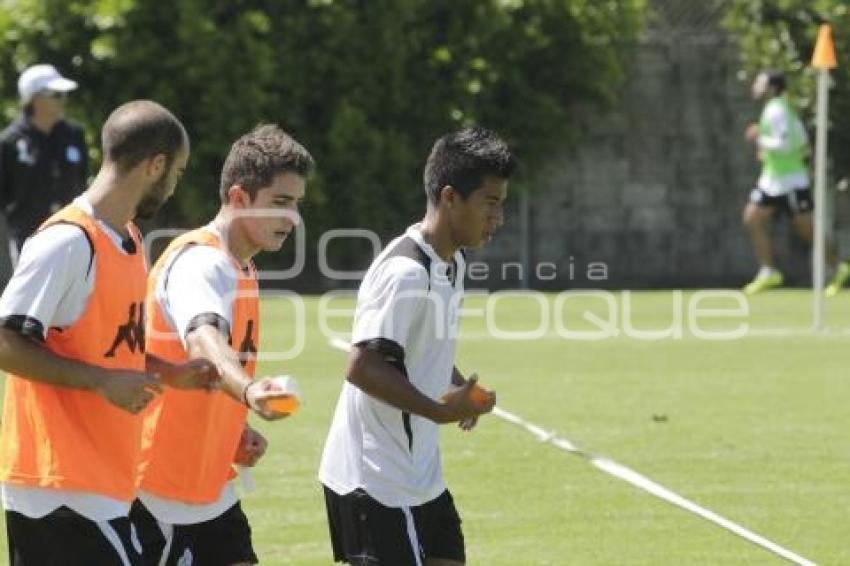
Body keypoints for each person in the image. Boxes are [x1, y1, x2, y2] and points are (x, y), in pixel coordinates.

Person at [0, 100, 215, 565]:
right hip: (58, 486)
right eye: (176, 171)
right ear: (154, 165)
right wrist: (102, 383)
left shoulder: (129, 239)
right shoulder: (67, 242)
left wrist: (170, 373)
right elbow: (6, 342)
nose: (175, 184)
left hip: (104, 481)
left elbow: (112, 351)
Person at [319, 126, 515, 565]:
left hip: (421, 475)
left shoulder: (453, 263)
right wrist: (445, 411)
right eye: (491, 203)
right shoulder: (405, 272)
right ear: (450, 197)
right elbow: (364, 366)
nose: (498, 218)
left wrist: (463, 387)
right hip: (375, 480)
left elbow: (420, 345)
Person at [131, 124, 315, 566]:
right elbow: (204, 340)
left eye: (297, 205)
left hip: (209, 489)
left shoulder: (242, 268)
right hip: (156, 492)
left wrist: (234, 428)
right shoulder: (202, 262)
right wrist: (250, 393)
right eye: (281, 203)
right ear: (238, 198)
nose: (293, 218)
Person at [741, 69, 850, 295]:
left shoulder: (777, 111)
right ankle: (769, 270)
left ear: (772, 87)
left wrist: (760, 138)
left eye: (760, 82)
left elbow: (786, 144)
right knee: (752, 218)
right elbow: (801, 140)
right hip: (772, 179)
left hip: (789, 181)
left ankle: (839, 267)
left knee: (807, 229)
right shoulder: (778, 109)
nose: (756, 86)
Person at [0, 64, 88, 267]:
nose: (63, 100)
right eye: (56, 94)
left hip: (74, 237)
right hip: (27, 242)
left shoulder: (74, 134)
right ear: (35, 99)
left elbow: (82, 183)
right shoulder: (9, 143)